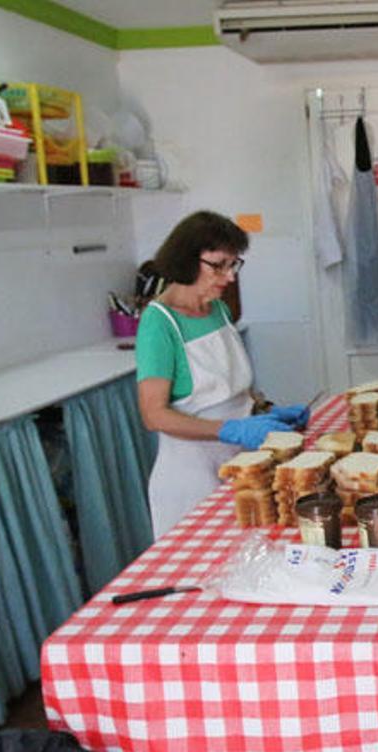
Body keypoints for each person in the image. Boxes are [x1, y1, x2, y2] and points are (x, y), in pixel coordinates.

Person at [136, 211, 308, 539]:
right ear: (187, 259)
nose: (229, 277)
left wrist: (265, 411)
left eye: (234, 265)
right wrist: (230, 429)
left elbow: (232, 387)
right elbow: (154, 415)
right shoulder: (159, 324)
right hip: (191, 477)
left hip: (241, 464)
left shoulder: (218, 309)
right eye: (220, 265)